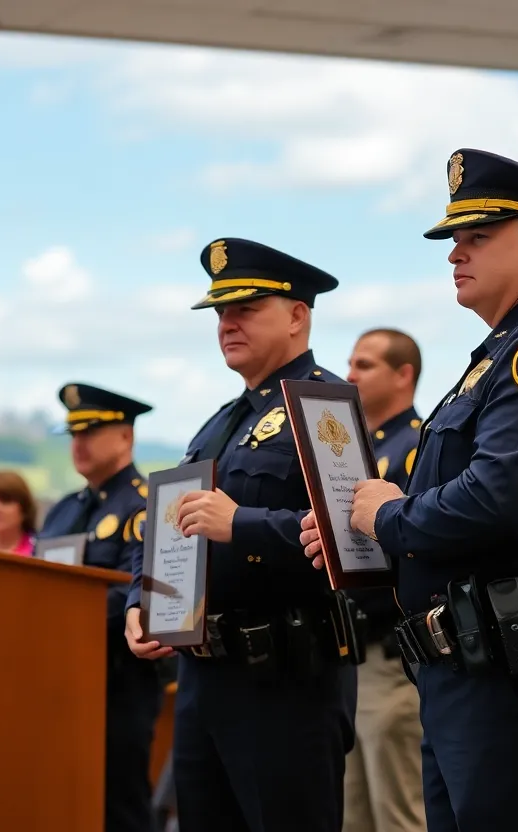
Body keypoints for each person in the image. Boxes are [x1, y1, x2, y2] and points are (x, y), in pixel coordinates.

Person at [301, 149, 518, 831]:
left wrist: (384, 515)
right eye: (455, 241)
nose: (456, 255)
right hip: (480, 665)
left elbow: (494, 501)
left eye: (478, 238)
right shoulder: (495, 357)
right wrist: (362, 548)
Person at [124, 237, 357, 832]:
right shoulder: (219, 425)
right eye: (222, 312)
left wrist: (243, 525)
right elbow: (166, 530)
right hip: (205, 677)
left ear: (298, 315)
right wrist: (142, 601)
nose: (228, 323)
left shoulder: (324, 404)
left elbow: (354, 542)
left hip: (284, 681)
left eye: (246, 309)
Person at [37, 383, 161, 832]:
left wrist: (62, 609)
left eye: (90, 431)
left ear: (125, 437)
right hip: (57, 680)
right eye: (73, 434)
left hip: (117, 682)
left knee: (118, 803)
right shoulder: (62, 511)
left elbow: (140, 585)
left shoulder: (144, 504)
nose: (78, 444)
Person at [342, 327, 427, 832]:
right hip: (352, 653)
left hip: (391, 654)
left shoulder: (416, 446)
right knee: (353, 814)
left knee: (399, 814)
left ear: (404, 375)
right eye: (350, 362)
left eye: (365, 364)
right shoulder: (357, 449)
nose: (349, 374)